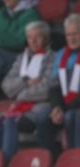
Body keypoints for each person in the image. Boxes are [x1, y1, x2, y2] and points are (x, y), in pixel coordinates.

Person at [0, 21, 55, 162]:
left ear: (46, 38)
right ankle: (18, 160)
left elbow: (45, 89)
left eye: (38, 37)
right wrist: (26, 81)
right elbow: (6, 86)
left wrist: (20, 94)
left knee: (10, 121)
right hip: (20, 108)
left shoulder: (52, 57)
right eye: (30, 37)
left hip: (39, 108)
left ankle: (8, 162)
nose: (33, 41)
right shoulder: (21, 59)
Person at [39, 15, 80, 151]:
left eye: (75, 34)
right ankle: (51, 160)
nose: (72, 38)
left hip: (74, 105)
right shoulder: (61, 55)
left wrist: (65, 108)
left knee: (73, 116)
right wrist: (57, 107)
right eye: (68, 35)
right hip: (65, 103)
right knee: (43, 116)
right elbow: (54, 86)